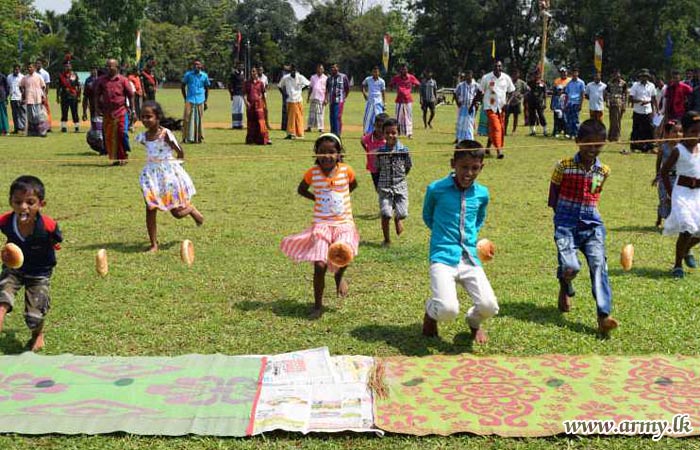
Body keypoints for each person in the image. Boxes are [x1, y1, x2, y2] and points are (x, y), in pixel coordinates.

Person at [422, 140, 499, 344]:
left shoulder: (482, 194)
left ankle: (474, 322)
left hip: (470, 258)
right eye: (464, 167)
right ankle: (431, 313)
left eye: (475, 168)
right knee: (447, 310)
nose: (469, 173)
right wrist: (443, 237)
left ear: (481, 167)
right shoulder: (436, 189)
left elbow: (478, 219)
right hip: (442, 256)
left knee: (489, 305)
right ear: (452, 164)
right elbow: (428, 216)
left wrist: (470, 239)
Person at [548, 119, 618, 336]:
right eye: (588, 143)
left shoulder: (603, 170)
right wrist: (561, 218)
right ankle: (565, 285)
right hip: (566, 225)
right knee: (571, 267)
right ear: (578, 141)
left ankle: (603, 316)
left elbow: (595, 194)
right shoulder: (564, 166)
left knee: (599, 266)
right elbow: (553, 195)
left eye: (598, 145)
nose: (593, 149)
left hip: (593, 225)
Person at [280, 133, 359, 319]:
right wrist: (316, 198)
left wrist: (341, 199)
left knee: (344, 252)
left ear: (339, 154)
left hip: (344, 224)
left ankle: (339, 276)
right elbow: (301, 189)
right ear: (316, 154)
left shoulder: (346, 171)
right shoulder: (312, 173)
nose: (326, 156)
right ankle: (317, 305)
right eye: (322, 152)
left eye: (331, 152)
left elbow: (353, 185)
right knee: (320, 264)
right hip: (322, 224)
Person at [0, 175, 63, 352]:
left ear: (41, 204)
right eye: (17, 202)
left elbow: (57, 240)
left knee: (33, 317)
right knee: (2, 297)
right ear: (11, 201)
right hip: (13, 269)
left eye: (30, 202)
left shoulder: (48, 225)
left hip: (39, 273)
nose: (23, 207)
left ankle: (38, 334)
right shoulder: (5, 221)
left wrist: (52, 245)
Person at [137, 101, 204, 252]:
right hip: (151, 177)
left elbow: (180, 152)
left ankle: (191, 209)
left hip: (168, 176)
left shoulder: (165, 134)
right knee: (150, 207)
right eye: (143, 117)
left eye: (149, 116)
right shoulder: (143, 137)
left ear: (158, 117)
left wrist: (175, 167)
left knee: (178, 213)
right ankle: (154, 244)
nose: (146, 120)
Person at [661, 110, 700, 278]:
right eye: (693, 132)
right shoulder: (678, 150)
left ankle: (687, 250)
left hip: (697, 194)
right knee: (686, 228)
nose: (696, 136)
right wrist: (671, 194)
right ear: (684, 131)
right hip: (682, 194)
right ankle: (677, 265)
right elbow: (664, 172)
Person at [377, 118, 412, 246]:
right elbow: (378, 168)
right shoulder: (380, 152)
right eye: (387, 133)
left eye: (393, 132)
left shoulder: (404, 151)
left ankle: (398, 219)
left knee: (403, 213)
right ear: (383, 134)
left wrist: (401, 178)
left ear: (398, 133)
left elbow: (408, 166)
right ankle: (386, 239)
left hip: (400, 186)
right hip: (385, 187)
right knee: (386, 214)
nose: (390, 135)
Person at [96, 59, 135, 165]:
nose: (108, 68)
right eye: (107, 66)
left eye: (110, 66)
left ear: (116, 67)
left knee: (122, 133)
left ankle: (123, 155)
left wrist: (133, 110)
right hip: (107, 112)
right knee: (110, 136)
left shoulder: (123, 80)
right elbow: (97, 95)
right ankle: (115, 158)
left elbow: (131, 95)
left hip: (121, 110)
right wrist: (97, 108)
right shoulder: (101, 80)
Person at [476, 60, 515, 159]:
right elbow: (480, 92)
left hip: (501, 107)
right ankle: (499, 151)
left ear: (502, 67)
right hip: (490, 107)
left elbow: (512, 91)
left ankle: (488, 148)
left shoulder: (506, 78)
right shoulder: (486, 78)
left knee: (500, 128)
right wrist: (475, 103)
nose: (497, 68)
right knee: (496, 127)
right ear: (493, 67)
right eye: (496, 66)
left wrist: (508, 102)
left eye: (499, 66)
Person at [654, 120, 683, 228]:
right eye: (674, 131)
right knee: (663, 199)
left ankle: (672, 220)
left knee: (673, 200)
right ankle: (659, 219)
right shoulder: (663, 147)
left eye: (680, 132)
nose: (678, 134)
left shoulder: (682, 149)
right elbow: (658, 162)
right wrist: (657, 175)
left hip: (678, 178)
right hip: (664, 178)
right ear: (668, 134)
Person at [181, 59, 210, 144]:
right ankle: (185, 138)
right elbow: (182, 86)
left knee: (199, 119)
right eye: (195, 65)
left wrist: (206, 101)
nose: (196, 66)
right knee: (187, 119)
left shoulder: (204, 76)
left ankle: (198, 138)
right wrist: (185, 98)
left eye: (198, 64)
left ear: (201, 66)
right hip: (190, 99)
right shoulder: (188, 75)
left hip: (200, 99)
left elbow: (207, 88)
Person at [628, 69, 657, 153]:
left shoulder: (651, 85)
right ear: (640, 77)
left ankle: (650, 147)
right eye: (642, 76)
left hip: (648, 110)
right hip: (638, 110)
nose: (644, 78)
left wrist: (656, 108)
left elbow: (653, 98)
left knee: (649, 129)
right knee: (636, 129)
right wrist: (640, 101)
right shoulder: (635, 85)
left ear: (648, 77)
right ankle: (634, 146)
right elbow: (631, 98)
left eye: (646, 76)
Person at [279, 64, 310, 139]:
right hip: (290, 100)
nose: (293, 71)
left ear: (296, 70)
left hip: (298, 99)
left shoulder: (300, 77)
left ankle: (299, 133)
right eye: (291, 70)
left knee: (298, 117)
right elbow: (280, 86)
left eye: (294, 70)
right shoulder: (286, 78)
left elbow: (308, 84)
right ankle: (291, 133)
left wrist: (301, 90)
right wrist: (284, 94)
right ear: (290, 71)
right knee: (290, 118)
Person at [389, 64, 420, 138]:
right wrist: (394, 88)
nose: (404, 71)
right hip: (399, 100)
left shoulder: (411, 77)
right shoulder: (397, 78)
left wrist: (413, 87)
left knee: (408, 117)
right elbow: (391, 84)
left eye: (405, 69)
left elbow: (418, 84)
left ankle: (409, 133)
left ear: (407, 70)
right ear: (400, 70)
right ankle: (396, 132)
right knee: (397, 117)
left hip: (408, 100)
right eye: (402, 69)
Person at [361, 112, 388, 190]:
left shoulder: (388, 139)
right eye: (378, 126)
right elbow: (362, 140)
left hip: (385, 168)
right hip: (373, 169)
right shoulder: (369, 137)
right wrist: (367, 150)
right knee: (378, 188)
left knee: (385, 189)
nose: (380, 130)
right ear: (374, 125)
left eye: (382, 127)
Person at [20, 63, 48, 137]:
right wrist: (23, 94)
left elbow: (43, 87)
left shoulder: (39, 77)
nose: (29, 69)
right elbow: (21, 86)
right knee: (31, 117)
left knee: (39, 116)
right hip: (29, 99)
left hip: (38, 99)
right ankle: (32, 132)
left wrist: (43, 97)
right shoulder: (25, 77)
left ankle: (42, 132)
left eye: (31, 67)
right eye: (28, 67)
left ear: (34, 68)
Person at [243, 68, 270, 145]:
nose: (253, 73)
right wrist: (246, 102)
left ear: (257, 73)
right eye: (252, 71)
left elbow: (263, 94)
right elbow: (244, 94)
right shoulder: (247, 83)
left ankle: (263, 139)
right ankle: (251, 139)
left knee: (261, 122)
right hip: (250, 105)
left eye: (254, 71)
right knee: (251, 122)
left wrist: (265, 105)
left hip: (259, 105)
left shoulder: (260, 83)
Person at [454, 70, 479, 142]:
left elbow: (480, 94)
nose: (468, 76)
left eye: (469, 75)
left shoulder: (476, 85)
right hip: (463, 107)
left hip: (471, 107)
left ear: (472, 75)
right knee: (461, 123)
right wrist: (457, 103)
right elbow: (455, 93)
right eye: (466, 75)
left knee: (470, 123)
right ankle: (460, 139)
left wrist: (477, 103)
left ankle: (469, 139)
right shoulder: (461, 85)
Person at [325, 64, 350, 136]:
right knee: (332, 117)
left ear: (338, 68)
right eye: (332, 67)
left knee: (337, 116)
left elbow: (347, 88)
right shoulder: (329, 78)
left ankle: (337, 134)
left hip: (339, 101)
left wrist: (344, 97)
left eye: (334, 67)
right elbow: (327, 89)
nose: (333, 69)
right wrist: (326, 98)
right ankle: (332, 132)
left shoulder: (343, 77)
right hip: (331, 101)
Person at [56, 61, 81, 133]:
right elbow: (58, 87)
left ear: (71, 66)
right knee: (64, 112)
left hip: (73, 96)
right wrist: (57, 97)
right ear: (64, 67)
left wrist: (79, 96)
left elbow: (78, 86)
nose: (67, 67)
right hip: (64, 96)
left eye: (69, 66)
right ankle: (64, 127)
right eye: (66, 66)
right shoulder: (61, 75)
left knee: (75, 112)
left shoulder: (75, 74)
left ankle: (77, 127)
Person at [361, 66, 386, 134]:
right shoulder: (368, 79)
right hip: (370, 102)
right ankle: (366, 132)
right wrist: (364, 93)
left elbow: (383, 92)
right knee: (368, 118)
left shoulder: (382, 81)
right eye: (374, 72)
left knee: (379, 118)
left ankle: (379, 131)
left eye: (377, 72)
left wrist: (384, 103)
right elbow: (362, 85)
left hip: (378, 102)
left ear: (379, 73)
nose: (375, 73)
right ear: (372, 72)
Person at [605, 69, 628, 142]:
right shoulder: (609, 83)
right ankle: (611, 136)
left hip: (619, 103)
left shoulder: (623, 83)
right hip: (612, 103)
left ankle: (616, 136)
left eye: (618, 74)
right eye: (615, 74)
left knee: (618, 120)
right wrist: (607, 102)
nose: (617, 76)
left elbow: (625, 95)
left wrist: (624, 105)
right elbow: (607, 94)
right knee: (612, 120)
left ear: (620, 75)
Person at [563, 68, 586, 138]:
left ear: (578, 73)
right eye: (573, 73)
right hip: (569, 103)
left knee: (575, 119)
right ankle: (570, 134)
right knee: (569, 119)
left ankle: (576, 134)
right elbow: (567, 95)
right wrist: (565, 105)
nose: (574, 74)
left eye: (575, 73)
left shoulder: (581, 83)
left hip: (576, 103)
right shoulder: (569, 83)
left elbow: (582, 94)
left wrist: (580, 104)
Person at [504, 68, 528, 135]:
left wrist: (522, 95)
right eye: (514, 74)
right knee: (506, 117)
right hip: (508, 102)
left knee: (515, 117)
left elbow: (528, 90)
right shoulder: (508, 82)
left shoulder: (521, 83)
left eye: (516, 74)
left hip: (517, 102)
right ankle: (504, 130)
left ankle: (514, 130)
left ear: (518, 75)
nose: (515, 75)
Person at [306, 64, 327, 133]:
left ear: (323, 70)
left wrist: (326, 99)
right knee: (311, 113)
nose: (320, 70)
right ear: (317, 69)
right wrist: (308, 97)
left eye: (321, 69)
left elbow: (327, 90)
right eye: (319, 68)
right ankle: (309, 127)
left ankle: (321, 128)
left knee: (320, 113)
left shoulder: (325, 78)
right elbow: (310, 87)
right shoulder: (313, 77)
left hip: (321, 98)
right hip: (313, 97)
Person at [526, 69, 548, 136]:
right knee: (532, 116)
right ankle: (533, 131)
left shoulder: (542, 83)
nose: (536, 76)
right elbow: (527, 90)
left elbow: (545, 94)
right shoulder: (530, 82)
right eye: (535, 74)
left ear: (540, 75)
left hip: (539, 102)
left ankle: (545, 130)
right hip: (531, 101)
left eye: (538, 74)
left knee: (541, 115)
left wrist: (545, 103)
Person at [7, 64, 25, 134]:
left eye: (17, 69)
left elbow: (24, 87)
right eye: (15, 69)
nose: (16, 71)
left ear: (19, 70)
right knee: (14, 114)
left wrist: (23, 97)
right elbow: (8, 87)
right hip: (13, 98)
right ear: (13, 69)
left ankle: (23, 128)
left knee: (22, 113)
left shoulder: (22, 77)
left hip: (20, 97)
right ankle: (16, 128)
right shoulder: (9, 77)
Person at [35, 59, 52, 133]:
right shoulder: (33, 73)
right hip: (35, 95)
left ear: (41, 64)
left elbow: (47, 85)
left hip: (43, 95)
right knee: (37, 111)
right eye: (37, 63)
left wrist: (45, 95)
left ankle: (48, 127)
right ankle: (38, 126)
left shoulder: (45, 73)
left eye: (39, 63)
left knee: (46, 111)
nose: (38, 65)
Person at [228, 62, 246, 129]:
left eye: (242, 66)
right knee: (235, 109)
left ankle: (240, 124)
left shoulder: (243, 74)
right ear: (237, 66)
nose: (241, 67)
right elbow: (230, 85)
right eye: (240, 66)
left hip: (242, 93)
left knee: (241, 109)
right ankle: (235, 124)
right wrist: (231, 94)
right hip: (235, 93)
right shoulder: (234, 74)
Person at [278, 64, 291, 131]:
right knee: (285, 110)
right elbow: (279, 85)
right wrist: (283, 93)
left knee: (290, 110)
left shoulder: (292, 73)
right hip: (285, 93)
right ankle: (284, 126)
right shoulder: (282, 73)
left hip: (291, 93)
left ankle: (289, 125)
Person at [0, 70, 9, 135]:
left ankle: (5, 129)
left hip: (2, 97)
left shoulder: (3, 76)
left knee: (3, 114)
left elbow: (7, 88)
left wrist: (6, 97)